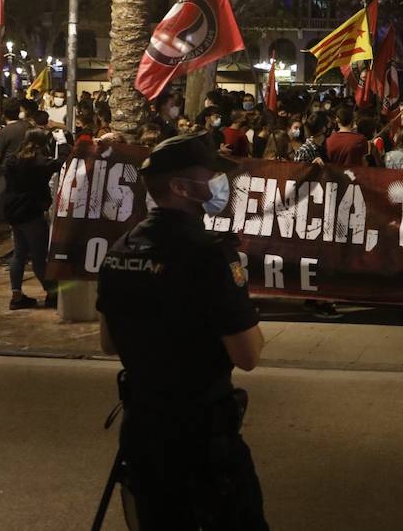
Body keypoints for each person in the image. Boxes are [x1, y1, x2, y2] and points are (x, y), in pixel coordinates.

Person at [97, 133, 268, 529]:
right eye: (208, 176)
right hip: (201, 437)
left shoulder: (120, 248)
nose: (216, 184)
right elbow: (248, 356)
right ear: (179, 187)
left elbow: (109, 343)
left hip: (142, 432)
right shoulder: (209, 254)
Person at [1, 129, 63, 309]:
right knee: (39, 256)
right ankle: (51, 293)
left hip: (15, 212)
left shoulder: (12, 160)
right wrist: (64, 144)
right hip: (32, 212)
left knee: (19, 254)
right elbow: (61, 162)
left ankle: (17, 295)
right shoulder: (39, 162)